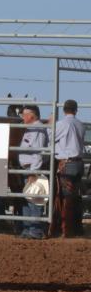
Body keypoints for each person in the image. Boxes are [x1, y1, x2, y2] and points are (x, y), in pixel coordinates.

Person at [51, 99, 85, 238]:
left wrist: (49, 124)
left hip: (66, 163)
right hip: (79, 163)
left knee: (64, 196)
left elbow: (50, 138)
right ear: (76, 110)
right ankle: (75, 227)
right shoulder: (80, 124)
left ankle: (66, 229)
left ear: (64, 110)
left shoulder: (62, 124)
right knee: (74, 196)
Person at [19, 105, 49, 239]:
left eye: (24, 115)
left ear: (32, 115)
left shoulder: (37, 128)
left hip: (32, 169)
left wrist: (34, 171)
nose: (22, 117)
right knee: (28, 200)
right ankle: (28, 229)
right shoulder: (33, 128)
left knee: (34, 199)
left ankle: (35, 230)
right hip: (28, 168)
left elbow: (38, 152)